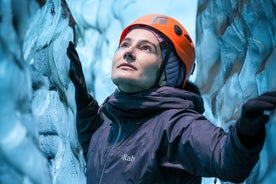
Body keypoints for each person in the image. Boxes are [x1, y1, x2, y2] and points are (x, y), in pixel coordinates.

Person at [66, 14, 276, 184]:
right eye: (124, 44)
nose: (128, 52)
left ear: (168, 71)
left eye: (145, 48)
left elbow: (225, 160)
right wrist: (83, 101)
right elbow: (94, 145)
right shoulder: (111, 121)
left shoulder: (176, 125)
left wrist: (246, 134)